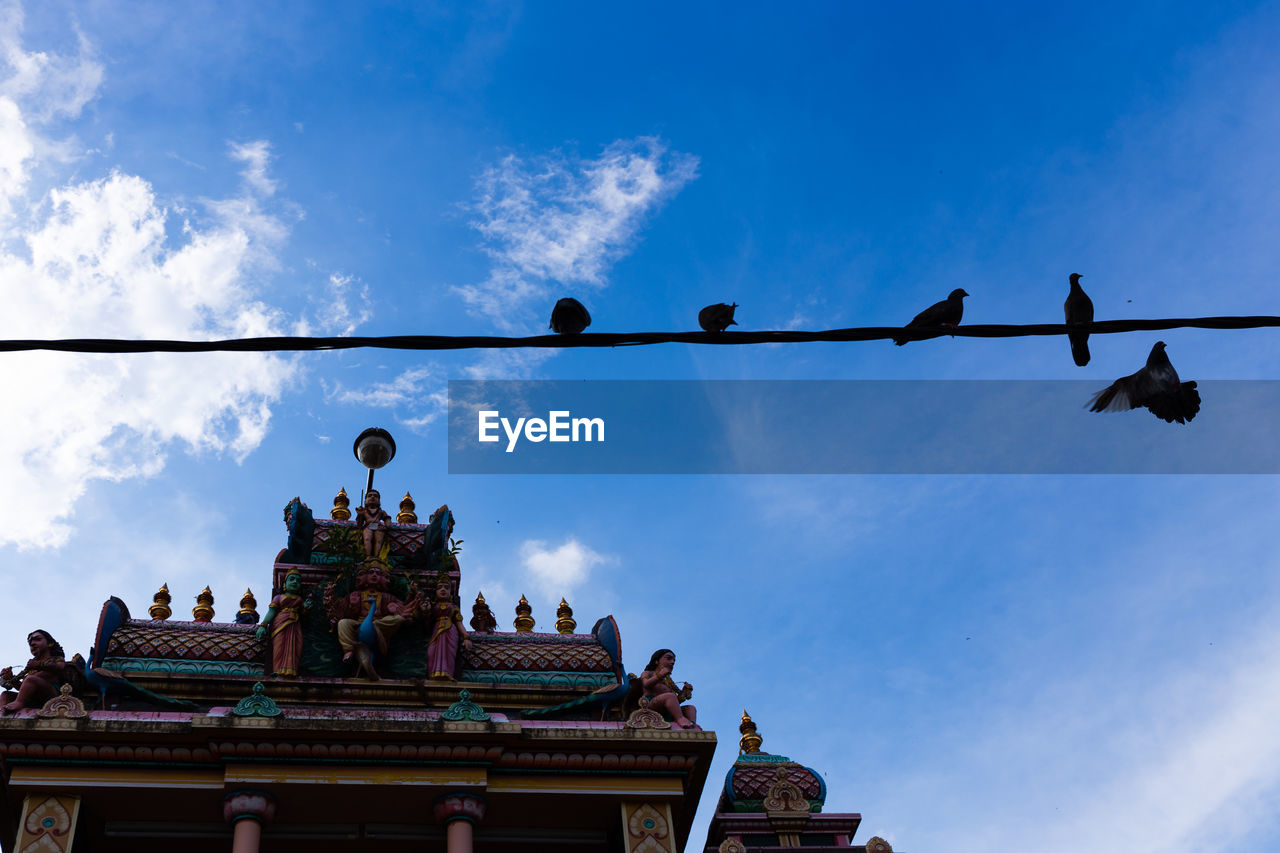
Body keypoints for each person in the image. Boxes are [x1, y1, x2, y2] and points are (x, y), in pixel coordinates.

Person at [334, 561, 421, 679]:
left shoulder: (386, 597)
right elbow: (343, 613)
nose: (374, 575)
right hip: (359, 625)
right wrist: (352, 606)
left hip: (378, 627)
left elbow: (404, 609)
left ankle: (372, 627)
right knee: (343, 623)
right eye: (371, 572)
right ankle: (349, 650)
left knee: (397, 619)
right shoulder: (357, 595)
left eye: (378, 573)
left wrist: (410, 595)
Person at [1, 630, 70, 714]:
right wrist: (10, 678)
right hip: (33, 698)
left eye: (37, 639)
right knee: (6, 695)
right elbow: (25, 688)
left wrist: (38, 665)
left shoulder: (55, 659)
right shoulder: (31, 666)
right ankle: (2, 713)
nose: (32, 643)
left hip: (51, 695)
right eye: (30, 642)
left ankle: (19, 702)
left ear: (50, 643)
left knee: (31, 679)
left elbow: (60, 666)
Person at [256, 570, 310, 677]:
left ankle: (292, 670)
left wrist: (307, 607)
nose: (295, 582)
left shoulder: (300, 600)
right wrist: (263, 625)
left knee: (295, 646)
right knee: (280, 646)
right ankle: (278, 670)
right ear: (284, 584)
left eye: (298, 580)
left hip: (295, 624)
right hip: (281, 623)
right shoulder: (279, 597)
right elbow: (271, 611)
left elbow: (304, 613)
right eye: (291, 579)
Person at [640, 648, 700, 730]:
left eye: (674, 660)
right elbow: (646, 684)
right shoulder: (648, 673)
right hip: (651, 703)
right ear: (657, 660)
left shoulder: (668, 681)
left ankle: (692, 725)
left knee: (690, 708)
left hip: (666, 707)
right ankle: (680, 719)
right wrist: (660, 675)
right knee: (670, 696)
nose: (672, 662)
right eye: (668, 658)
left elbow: (674, 701)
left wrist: (685, 691)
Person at [425, 576, 472, 680]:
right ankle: (433, 674)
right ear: (435, 592)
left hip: (450, 631)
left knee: (448, 653)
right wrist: (427, 611)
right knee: (431, 651)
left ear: (450, 592)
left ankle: (447, 674)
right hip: (436, 630)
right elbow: (427, 623)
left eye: (446, 588)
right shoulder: (433, 606)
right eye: (439, 587)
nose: (443, 590)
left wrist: (466, 637)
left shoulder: (454, 607)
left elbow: (459, 623)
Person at [355, 489, 393, 558]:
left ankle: (376, 557)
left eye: (375, 496)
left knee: (378, 541)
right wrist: (359, 514)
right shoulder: (364, 511)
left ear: (379, 501)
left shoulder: (381, 512)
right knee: (367, 539)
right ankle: (368, 556)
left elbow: (387, 519)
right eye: (369, 496)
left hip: (378, 526)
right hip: (368, 526)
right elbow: (359, 524)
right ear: (365, 501)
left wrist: (387, 526)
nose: (372, 497)